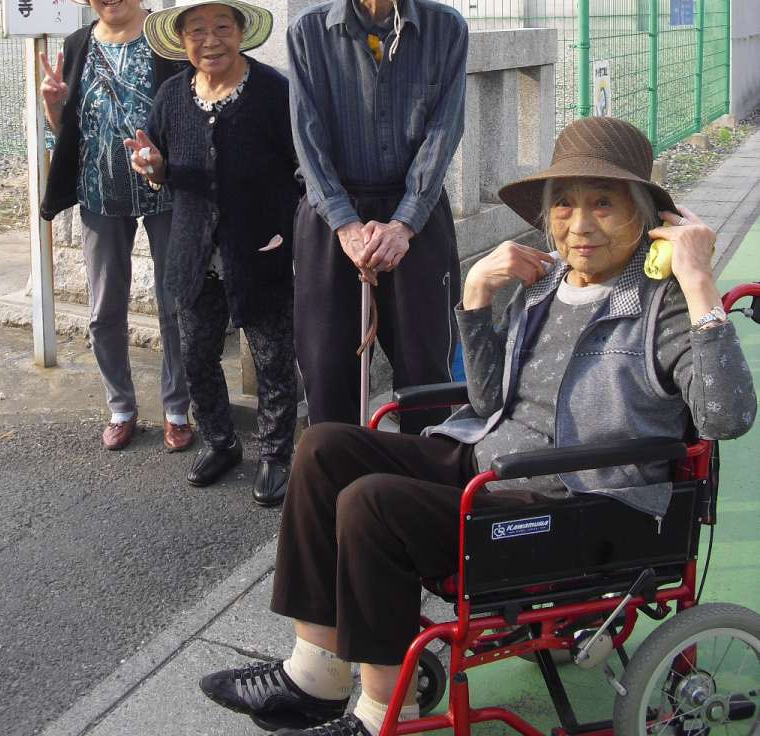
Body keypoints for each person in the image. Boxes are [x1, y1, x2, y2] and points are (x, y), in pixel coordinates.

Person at [199, 117, 756, 736]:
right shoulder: (546, 284)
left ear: (648, 217)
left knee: (371, 504)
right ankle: (316, 676)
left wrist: (699, 281)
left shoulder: (665, 306)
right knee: (324, 447)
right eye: (564, 204)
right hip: (492, 462)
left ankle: (383, 715)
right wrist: (476, 295)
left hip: (577, 502)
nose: (579, 225)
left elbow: (725, 416)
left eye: (603, 203)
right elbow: (492, 400)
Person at [287, 0, 469, 434]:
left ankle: (422, 473)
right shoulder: (308, 33)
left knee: (425, 365)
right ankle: (337, 475)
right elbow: (308, 138)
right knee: (327, 367)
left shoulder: (446, 29)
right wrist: (346, 226)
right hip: (332, 215)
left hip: (416, 213)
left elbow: (444, 130)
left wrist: (404, 223)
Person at [127, 0, 300, 507]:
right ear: (181, 40)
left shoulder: (273, 92)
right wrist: (152, 168)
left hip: (262, 248)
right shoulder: (171, 96)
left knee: (272, 358)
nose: (210, 40)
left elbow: (303, 169)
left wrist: (287, 229)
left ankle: (275, 453)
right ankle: (221, 442)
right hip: (194, 251)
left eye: (222, 27)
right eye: (196, 30)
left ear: (241, 31)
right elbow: (158, 165)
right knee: (197, 356)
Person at [39, 0, 193, 454]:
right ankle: (120, 406)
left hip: (166, 189)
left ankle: (177, 408)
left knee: (175, 304)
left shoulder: (166, 38)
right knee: (105, 307)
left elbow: (189, 109)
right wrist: (53, 104)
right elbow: (67, 130)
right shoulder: (77, 44)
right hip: (99, 193)